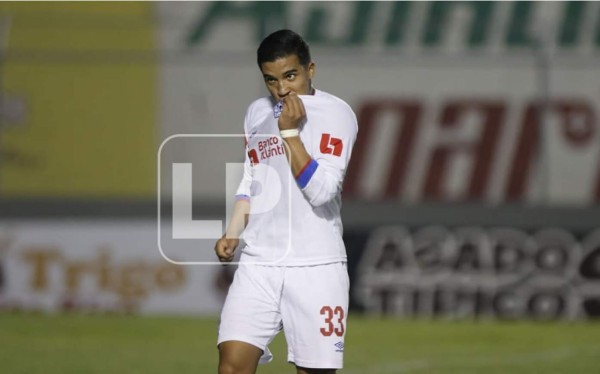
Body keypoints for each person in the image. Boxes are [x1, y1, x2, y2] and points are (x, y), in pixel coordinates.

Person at [214, 29, 358, 374]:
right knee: (231, 367)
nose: (281, 89)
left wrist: (290, 133)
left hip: (315, 266)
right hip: (259, 263)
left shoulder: (336, 114)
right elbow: (254, 177)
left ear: (311, 69)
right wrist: (233, 230)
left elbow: (322, 191)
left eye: (290, 76)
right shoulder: (256, 113)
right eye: (271, 80)